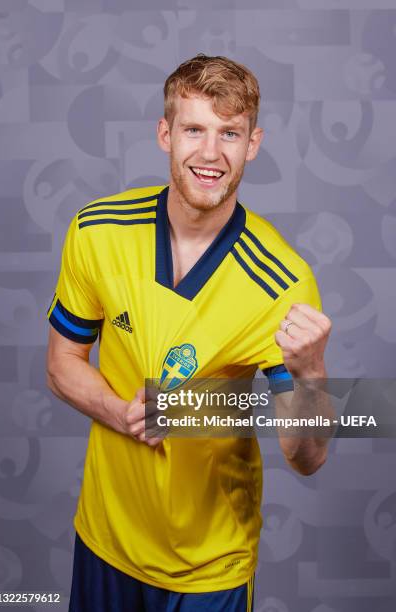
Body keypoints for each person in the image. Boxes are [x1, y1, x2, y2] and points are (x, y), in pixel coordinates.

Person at [46, 54, 332, 612]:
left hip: (209, 567)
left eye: (230, 133)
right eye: (194, 129)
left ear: (253, 144)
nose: (210, 153)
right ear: (165, 133)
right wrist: (123, 415)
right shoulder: (96, 230)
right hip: (104, 539)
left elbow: (307, 457)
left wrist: (312, 372)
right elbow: (61, 364)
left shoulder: (283, 281)